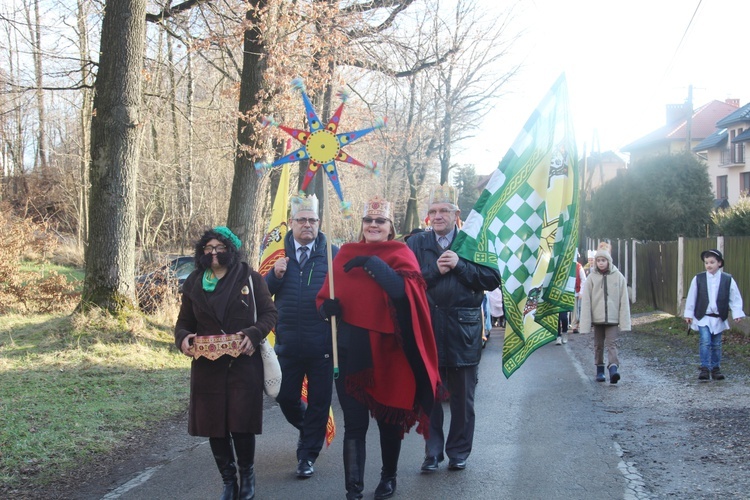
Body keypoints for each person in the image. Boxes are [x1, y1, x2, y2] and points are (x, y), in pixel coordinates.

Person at [317, 195, 441, 500]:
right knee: (355, 423)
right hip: (348, 351)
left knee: (388, 421)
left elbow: (404, 293)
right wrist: (327, 309)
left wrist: (374, 264)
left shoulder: (400, 252)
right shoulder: (345, 252)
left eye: (380, 221)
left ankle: (388, 477)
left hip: (388, 353)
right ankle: (353, 489)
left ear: (390, 227)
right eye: (369, 220)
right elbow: (324, 297)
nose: (373, 225)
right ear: (362, 224)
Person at [174, 226, 278, 500]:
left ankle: (248, 477)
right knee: (214, 426)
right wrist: (183, 338)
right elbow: (184, 322)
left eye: (219, 248)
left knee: (240, 424)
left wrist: (254, 334)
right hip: (207, 368)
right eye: (208, 248)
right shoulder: (194, 281)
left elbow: (269, 314)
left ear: (231, 251)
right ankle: (228, 480)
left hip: (243, 364)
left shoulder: (250, 279)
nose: (214, 253)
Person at [406, 184, 501, 472]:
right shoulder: (416, 244)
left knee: (462, 399)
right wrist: (436, 270)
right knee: (430, 397)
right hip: (428, 327)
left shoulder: (474, 241)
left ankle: (458, 451)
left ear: (456, 214)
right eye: (433, 211)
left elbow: (492, 279)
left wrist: (460, 265)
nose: (437, 216)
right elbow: (407, 280)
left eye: (443, 211)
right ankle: (432, 452)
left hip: (464, 329)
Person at [265, 194, 338, 478]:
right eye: (301, 220)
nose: (307, 225)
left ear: (319, 223)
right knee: (284, 397)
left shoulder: (332, 254)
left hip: (322, 346)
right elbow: (260, 294)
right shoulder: (276, 255)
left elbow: (346, 293)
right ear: (292, 223)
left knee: (320, 402)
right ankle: (311, 428)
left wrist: (338, 307)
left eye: (312, 220)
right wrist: (274, 276)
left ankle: (307, 456)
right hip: (288, 345)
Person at [683, 249, 745, 381]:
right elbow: (691, 297)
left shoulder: (727, 279)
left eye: (712, 262)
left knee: (716, 344)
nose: (709, 265)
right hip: (703, 317)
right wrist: (689, 314)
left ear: (719, 263)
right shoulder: (698, 278)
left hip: (718, 318)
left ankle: (716, 369)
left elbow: (734, 297)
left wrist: (737, 313)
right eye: (706, 262)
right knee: (705, 341)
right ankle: (705, 368)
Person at [579, 242, 630, 384]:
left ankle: (613, 368)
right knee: (598, 345)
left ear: (608, 261)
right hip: (597, 318)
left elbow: (624, 300)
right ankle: (600, 370)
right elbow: (587, 301)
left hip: (612, 318)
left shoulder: (618, 277)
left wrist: (624, 321)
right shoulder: (592, 278)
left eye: (603, 260)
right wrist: (585, 323)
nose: (601, 263)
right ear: (595, 262)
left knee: (612, 343)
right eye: (598, 261)